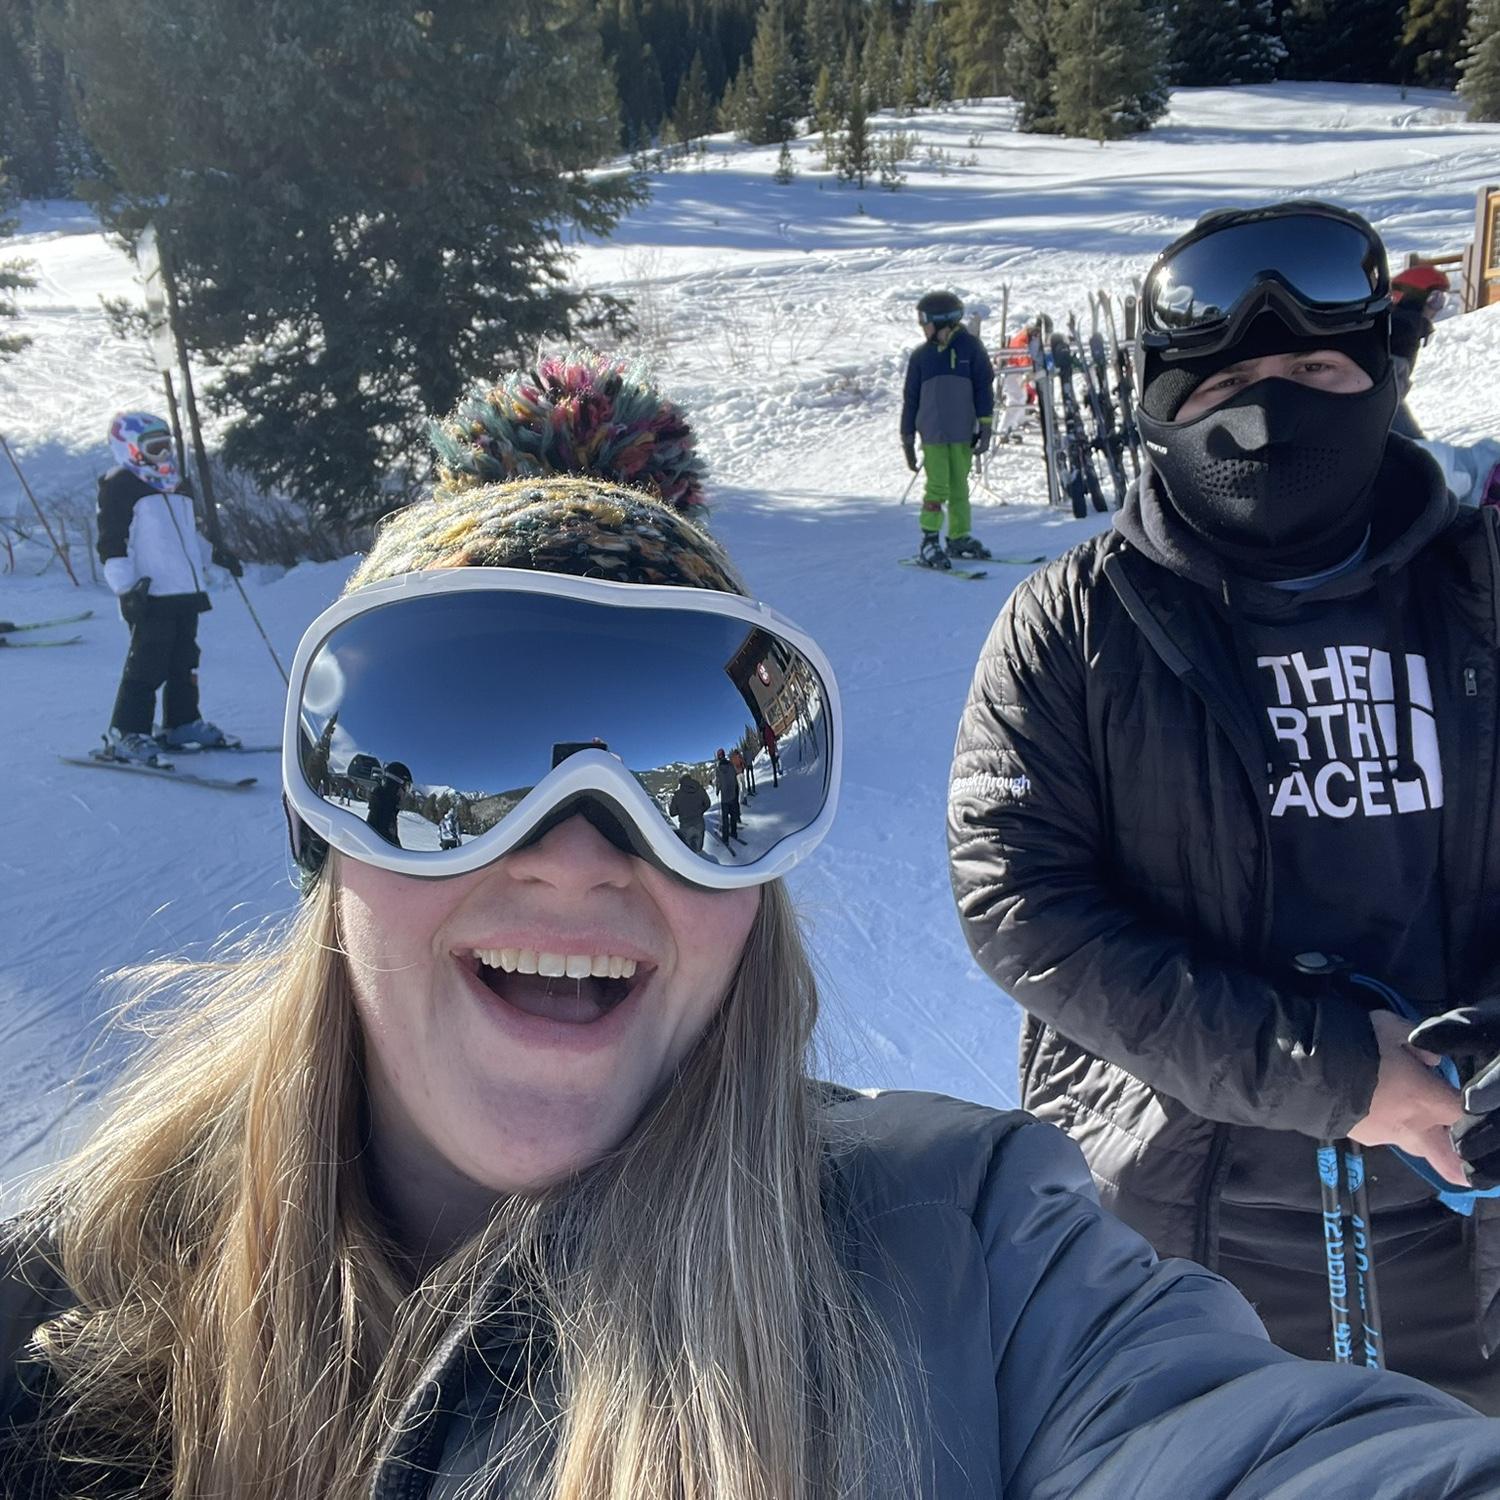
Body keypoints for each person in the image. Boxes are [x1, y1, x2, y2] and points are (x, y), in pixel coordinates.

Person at [9, 469, 1500, 1498]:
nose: (579, 859)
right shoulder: (64, 1314)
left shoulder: (968, 1266)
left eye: (694, 784)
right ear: (324, 836)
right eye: (462, 760)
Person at [949, 199, 1500, 1411]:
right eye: (1233, 381)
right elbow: (1017, 903)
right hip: (1176, 1246)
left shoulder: (1482, 592)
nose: (1272, 410)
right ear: (1168, 407)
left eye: (1314, 370)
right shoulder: (1073, 625)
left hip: (1468, 1253)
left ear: (1381, 377)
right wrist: (1332, 1071)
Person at [95, 411, 242, 765]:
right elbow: (113, 542)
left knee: (184, 661)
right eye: (154, 448)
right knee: (147, 663)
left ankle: (181, 722)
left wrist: (215, 554)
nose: (163, 454)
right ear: (131, 449)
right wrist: (125, 588)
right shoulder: (121, 485)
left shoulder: (176, 484)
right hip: (149, 593)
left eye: (166, 446)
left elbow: (189, 537)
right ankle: (127, 731)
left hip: (184, 589)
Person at [900, 291, 995, 570]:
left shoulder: (971, 348)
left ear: (943, 320)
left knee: (959, 488)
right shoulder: (921, 357)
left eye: (925, 321)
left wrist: (985, 425)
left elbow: (983, 388)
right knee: (937, 487)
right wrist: (907, 436)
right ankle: (929, 540)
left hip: (962, 432)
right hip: (933, 434)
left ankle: (958, 536)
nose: (922, 327)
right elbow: (911, 399)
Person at [1389, 263, 1452, 439]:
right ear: (1413, 297)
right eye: (1435, 299)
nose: (1437, 308)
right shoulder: (1405, 328)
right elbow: (1388, 399)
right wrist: (1416, 445)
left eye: (1442, 300)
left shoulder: (1395, 324)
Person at [995, 319, 1036, 444]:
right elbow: (1024, 357)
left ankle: (1014, 425)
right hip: (1010, 368)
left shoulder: (1026, 338)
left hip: (1015, 368)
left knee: (1021, 397)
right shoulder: (1023, 341)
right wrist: (1029, 373)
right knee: (1016, 399)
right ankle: (1003, 432)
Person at [365, 759, 411, 847]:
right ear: (395, 786)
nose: (405, 793)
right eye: (406, 787)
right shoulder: (383, 813)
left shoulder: (387, 811)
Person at [669, 770, 710, 852]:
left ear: (680, 780)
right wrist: (699, 812)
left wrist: (681, 810)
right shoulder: (699, 789)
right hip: (699, 823)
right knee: (698, 851)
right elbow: (707, 804)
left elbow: (672, 813)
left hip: (685, 826)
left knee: (688, 853)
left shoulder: (677, 794)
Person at [713, 745, 741, 841]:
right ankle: (734, 833)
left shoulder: (718, 769)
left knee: (725, 817)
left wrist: (717, 790)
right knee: (733, 815)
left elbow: (718, 782)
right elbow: (735, 775)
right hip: (732, 794)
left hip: (724, 797)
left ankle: (725, 838)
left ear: (718, 757)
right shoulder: (731, 765)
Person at [762, 719, 781, 788]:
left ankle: (776, 781)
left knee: (773, 763)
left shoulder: (764, 731)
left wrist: (765, 746)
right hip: (773, 745)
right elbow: (772, 734)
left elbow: (765, 740)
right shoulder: (768, 728)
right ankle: (778, 765)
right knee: (775, 759)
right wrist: (774, 739)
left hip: (771, 747)